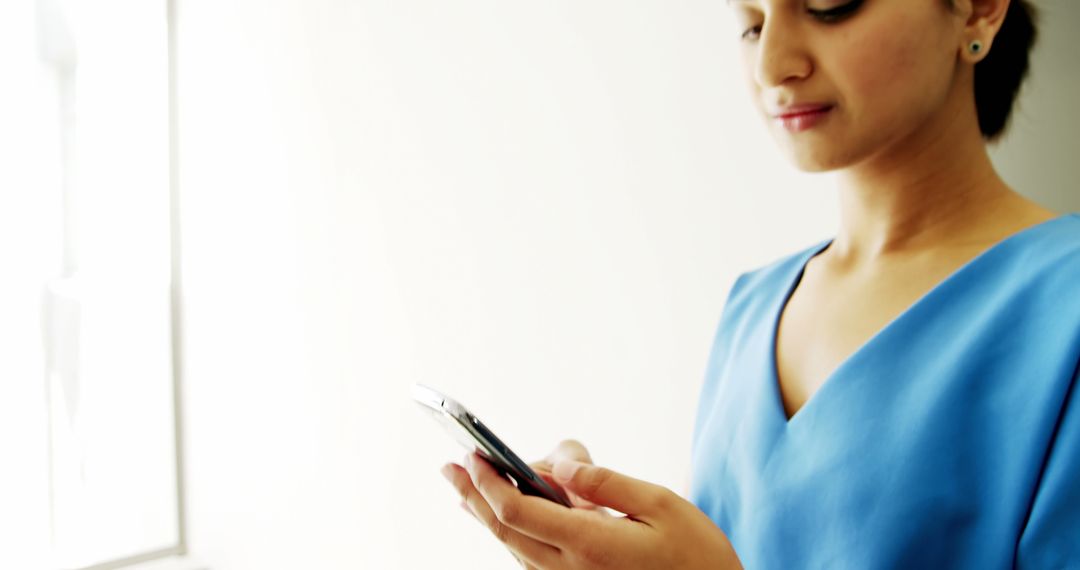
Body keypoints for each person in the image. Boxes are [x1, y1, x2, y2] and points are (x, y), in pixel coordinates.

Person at [439, 0, 1079, 567]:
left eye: (830, 7)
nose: (774, 64)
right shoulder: (752, 307)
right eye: (750, 24)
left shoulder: (1063, 305)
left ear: (977, 10)